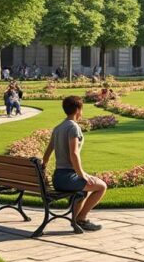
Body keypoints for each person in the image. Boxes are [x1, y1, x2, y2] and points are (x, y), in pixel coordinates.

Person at [41, 96, 107, 232]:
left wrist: (43, 170)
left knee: (85, 189)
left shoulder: (58, 128)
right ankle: (81, 219)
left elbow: (47, 154)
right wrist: (81, 174)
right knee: (101, 187)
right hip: (67, 178)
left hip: (58, 177)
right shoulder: (73, 127)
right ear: (78, 110)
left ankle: (77, 220)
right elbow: (74, 154)